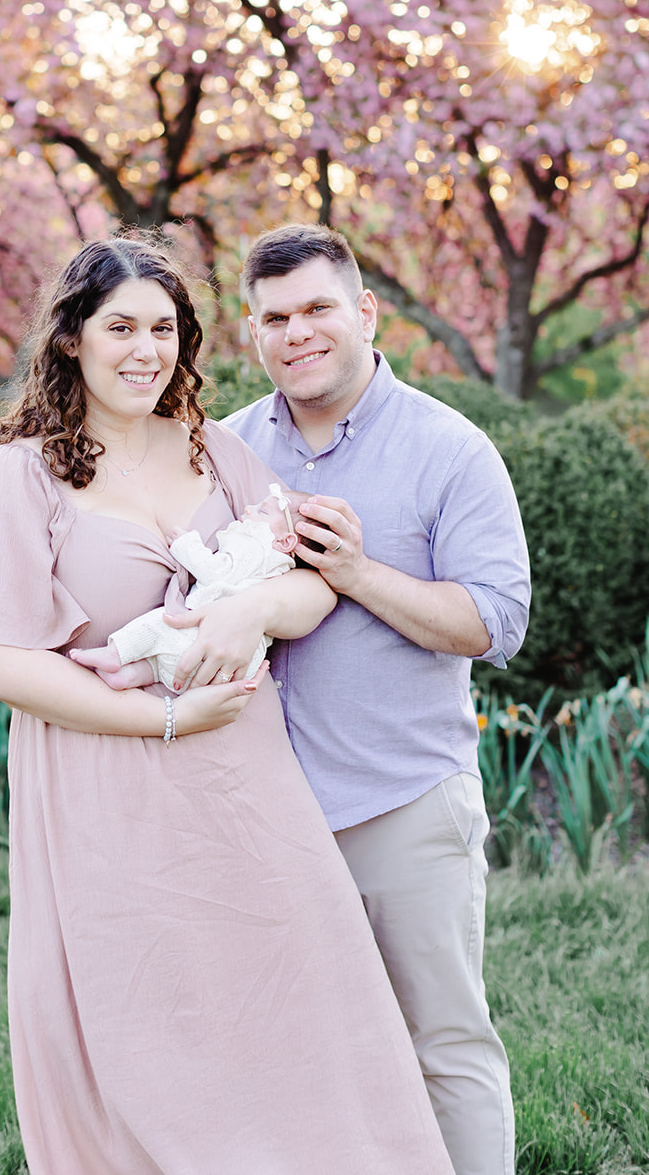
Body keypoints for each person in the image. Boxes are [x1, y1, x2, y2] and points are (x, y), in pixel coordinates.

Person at [0, 237, 453, 1175]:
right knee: (144, 1021)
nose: (143, 350)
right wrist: (158, 719)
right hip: (101, 781)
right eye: (119, 327)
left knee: (301, 1010)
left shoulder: (222, 450)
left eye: (163, 328)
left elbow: (312, 585)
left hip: (246, 784)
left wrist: (250, 607)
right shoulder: (18, 476)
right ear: (71, 338)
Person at [223, 224, 530, 1175]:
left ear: (363, 312)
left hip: (401, 804)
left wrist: (356, 573)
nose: (296, 333)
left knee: (443, 1047)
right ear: (252, 331)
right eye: (275, 317)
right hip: (263, 815)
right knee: (289, 1061)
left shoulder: (449, 449)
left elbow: (493, 623)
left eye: (317, 308)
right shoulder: (227, 451)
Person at [70, 484, 302, 689]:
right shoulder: (280, 569)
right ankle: (130, 677)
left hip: (204, 638)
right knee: (163, 661)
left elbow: (217, 572)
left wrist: (186, 545)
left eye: (262, 511)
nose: (249, 508)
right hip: (238, 661)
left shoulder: (256, 547)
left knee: (161, 623)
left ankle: (115, 652)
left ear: (285, 541)